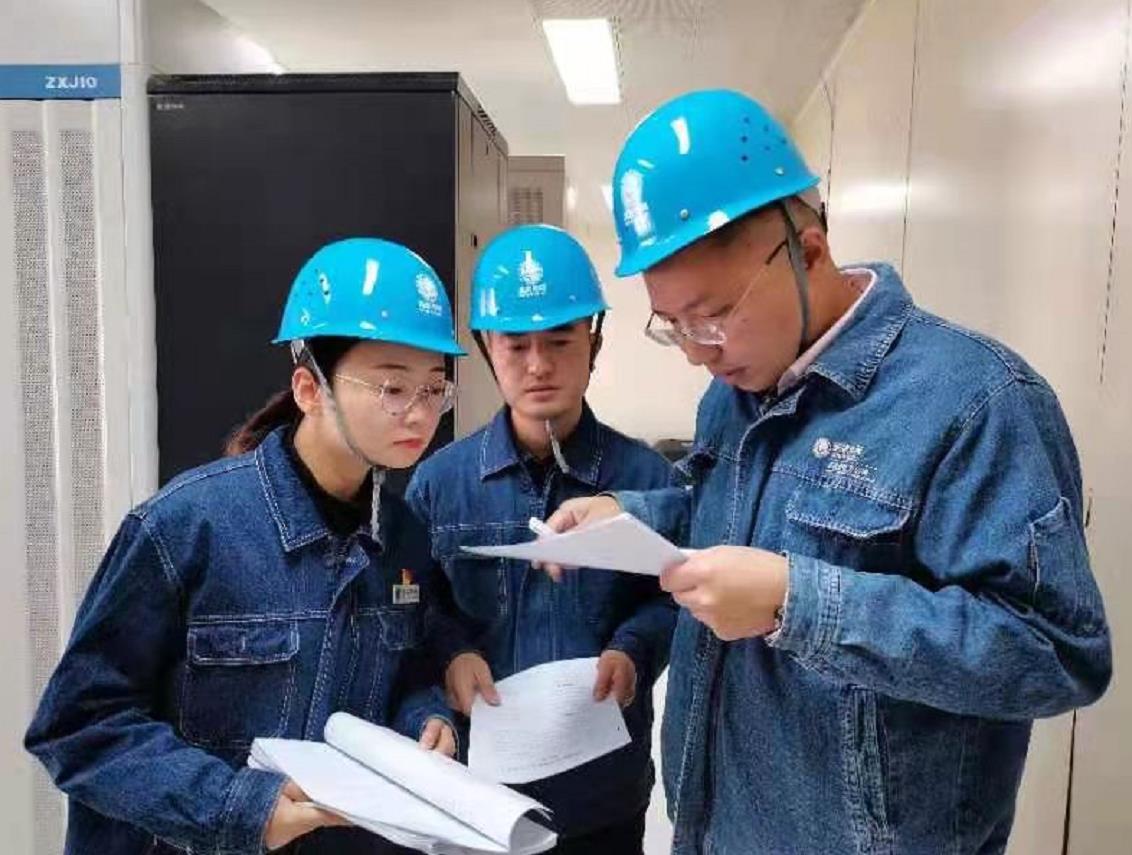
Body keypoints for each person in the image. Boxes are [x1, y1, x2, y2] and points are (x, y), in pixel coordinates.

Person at [543, 89, 1113, 854]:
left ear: (808, 251)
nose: (696, 353)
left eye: (712, 316)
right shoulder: (731, 394)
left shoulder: (976, 401)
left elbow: (1054, 654)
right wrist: (633, 516)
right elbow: (723, 513)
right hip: (713, 825)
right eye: (671, 326)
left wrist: (797, 601)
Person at [26, 237, 466, 854]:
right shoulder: (185, 527)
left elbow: (409, 671)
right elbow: (78, 725)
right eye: (393, 388)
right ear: (309, 389)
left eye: (435, 389)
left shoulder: (403, 538)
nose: (420, 415)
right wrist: (239, 807)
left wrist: (428, 719)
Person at [406, 224, 677, 854]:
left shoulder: (646, 480)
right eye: (516, 344)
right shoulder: (439, 484)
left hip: (604, 792)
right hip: (482, 790)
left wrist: (634, 649)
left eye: (559, 340)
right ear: (486, 346)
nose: (538, 364)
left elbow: (673, 597)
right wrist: (451, 652)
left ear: (594, 341)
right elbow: (415, 600)